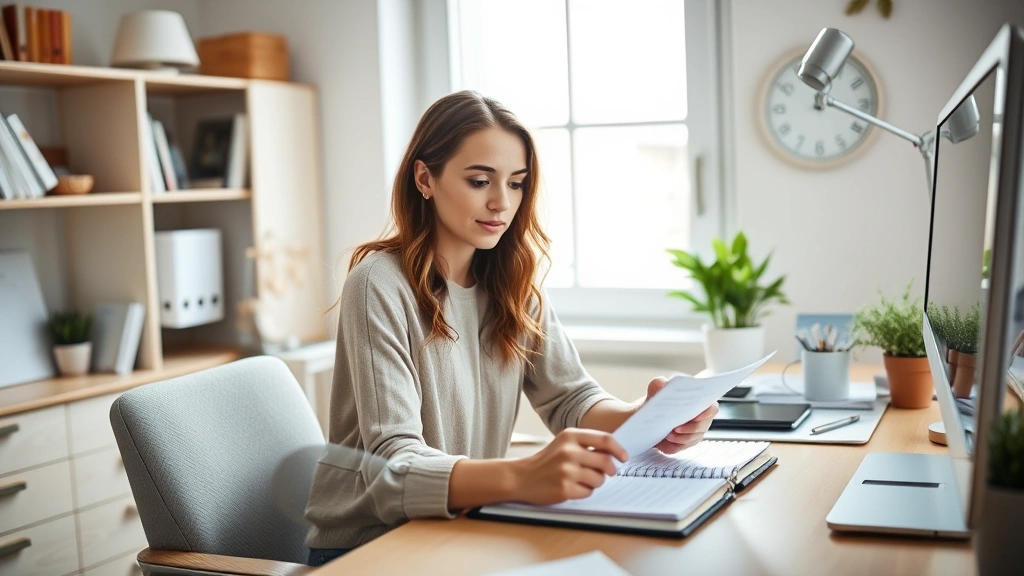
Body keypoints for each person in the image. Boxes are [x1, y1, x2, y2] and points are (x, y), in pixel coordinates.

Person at [304, 90, 718, 566]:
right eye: (480, 180)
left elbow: (571, 398)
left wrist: (647, 417)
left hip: (462, 527)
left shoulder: (513, 282)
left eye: (517, 183)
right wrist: (523, 476)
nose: (502, 202)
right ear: (425, 178)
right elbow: (392, 467)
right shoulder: (378, 284)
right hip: (370, 548)